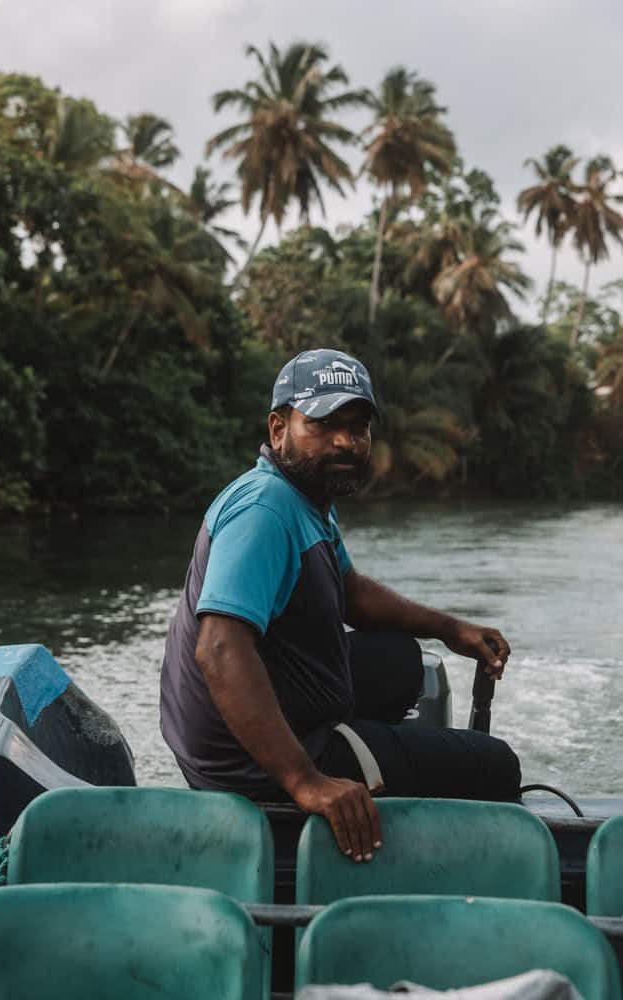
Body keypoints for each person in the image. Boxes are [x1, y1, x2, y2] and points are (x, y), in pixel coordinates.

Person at [160, 348, 521, 863]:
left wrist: (448, 627)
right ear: (278, 427)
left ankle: (371, 757)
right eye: (324, 424)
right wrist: (306, 781)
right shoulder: (265, 511)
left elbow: (350, 592)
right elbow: (218, 650)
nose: (346, 442)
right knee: (496, 767)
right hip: (248, 765)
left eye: (357, 427)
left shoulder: (303, 499)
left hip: (269, 718)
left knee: (400, 660)